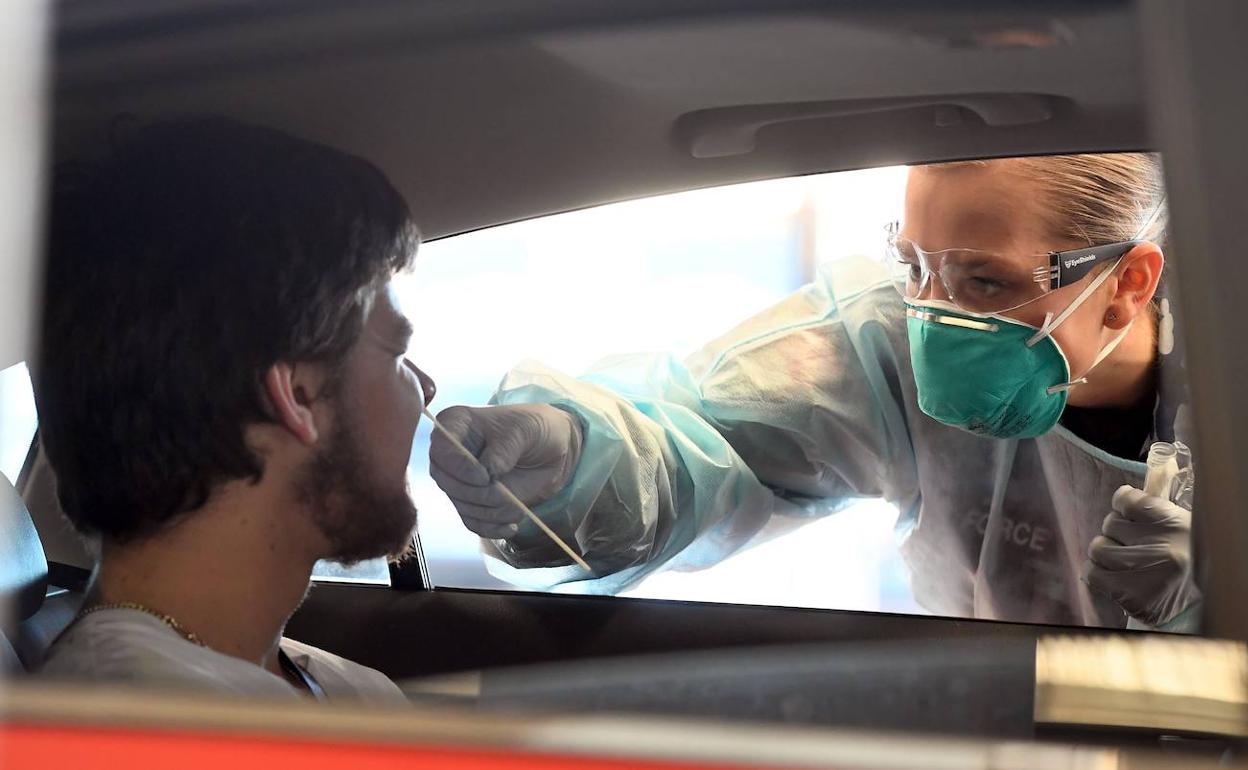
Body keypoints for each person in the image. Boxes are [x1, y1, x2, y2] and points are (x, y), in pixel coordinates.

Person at [430, 153, 1200, 631]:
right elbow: (711, 439)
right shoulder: (885, 342)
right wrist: (573, 465)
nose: (935, 315)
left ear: (1127, 283)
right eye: (914, 267)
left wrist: (1215, 597)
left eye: (985, 281)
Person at [36, 118, 436, 701]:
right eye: (397, 351)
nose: (425, 388)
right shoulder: (146, 724)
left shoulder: (315, 684)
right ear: (297, 394)